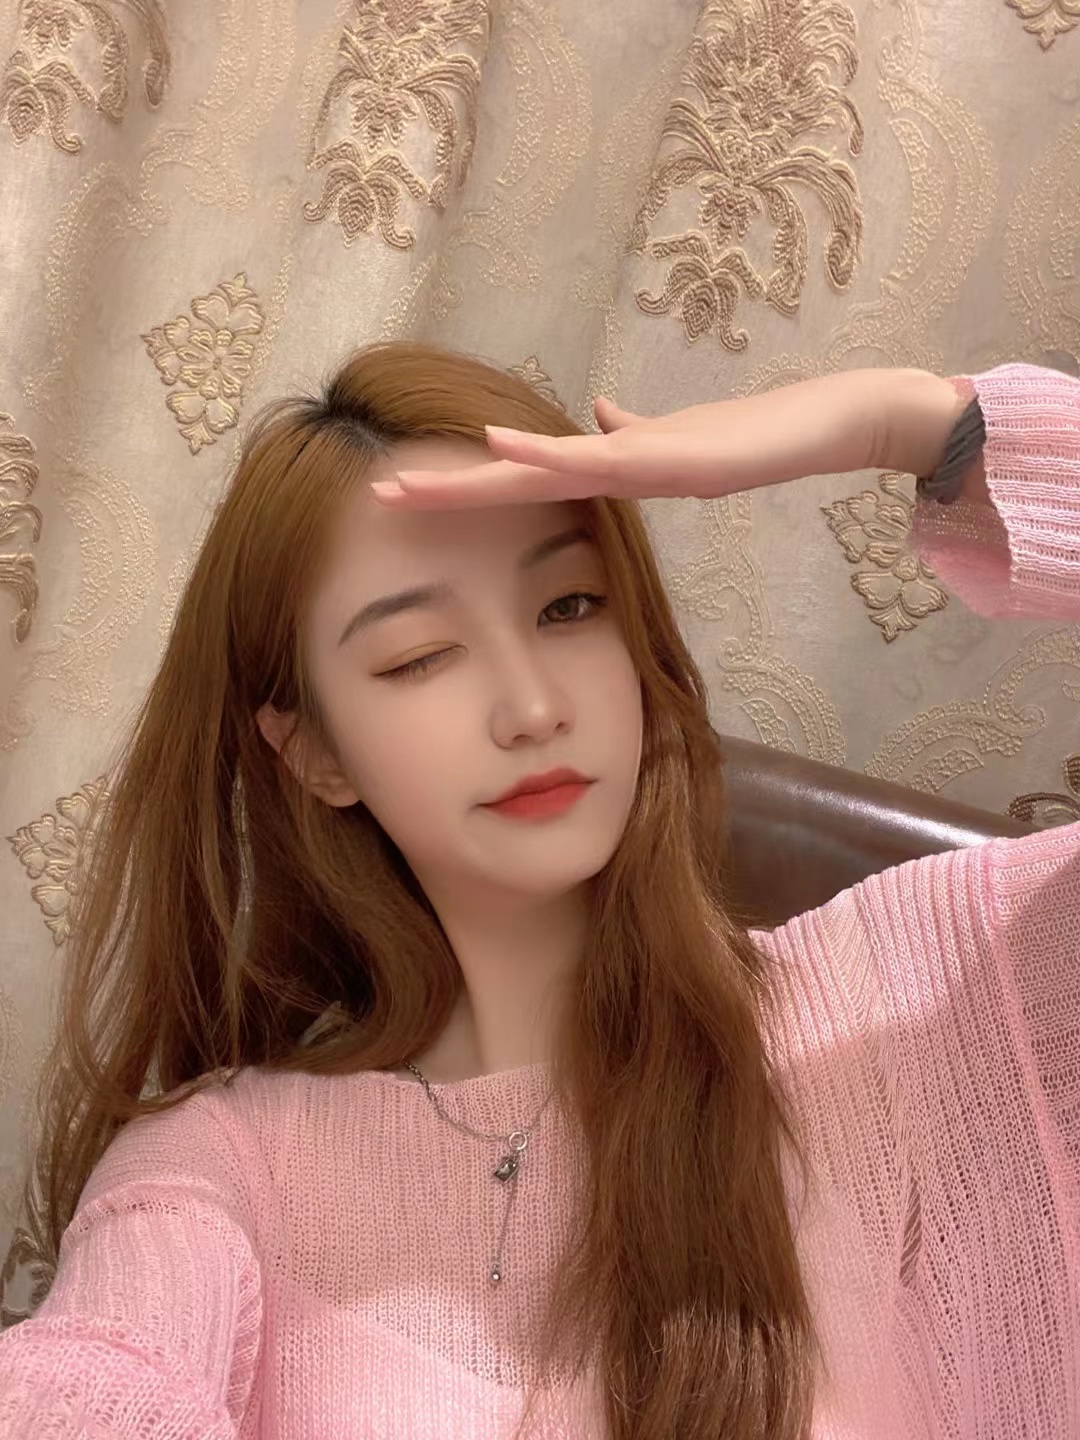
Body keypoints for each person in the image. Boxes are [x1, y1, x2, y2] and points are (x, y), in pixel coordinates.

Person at [0, 343, 1076, 1440]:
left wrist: (913, 427)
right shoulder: (224, 1170)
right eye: (419, 656)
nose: (529, 707)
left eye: (569, 606)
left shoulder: (907, 1014)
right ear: (313, 751)